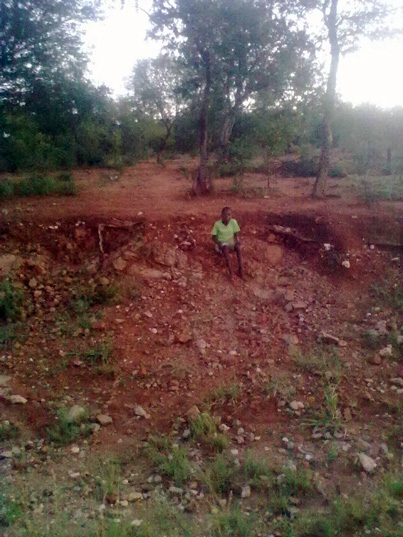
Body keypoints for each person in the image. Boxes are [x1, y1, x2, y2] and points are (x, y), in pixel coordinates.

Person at [211, 207, 243, 278]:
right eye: (225, 215)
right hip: (221, 244)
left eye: (229, 215)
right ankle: (230, 271)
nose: (227, 217)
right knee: (225, 247)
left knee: (238, 247)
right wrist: (218, 243)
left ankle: (240, 270)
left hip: (230, 243)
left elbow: (235, 235)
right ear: (221, 216)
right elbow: (213, 237)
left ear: (231, 215)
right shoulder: (217, 224)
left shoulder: (233, 222)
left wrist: (237, 241)